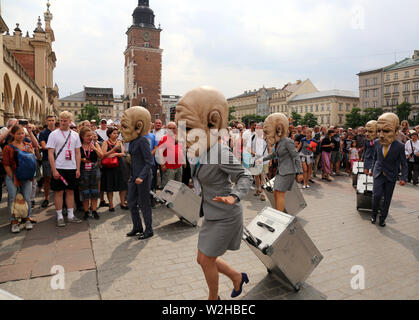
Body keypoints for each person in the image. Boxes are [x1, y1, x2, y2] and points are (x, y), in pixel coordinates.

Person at [176, 86, 252, 301]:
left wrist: (234, 196)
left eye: (188, 127)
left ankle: (213, 300)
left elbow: (244, 176)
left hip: (226, 214)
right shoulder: (199, 150)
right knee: (202, 259)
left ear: (212, 122)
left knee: (207, 260)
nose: (183, 134)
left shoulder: (220, 151)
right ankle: (237, 277)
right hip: (211, 212)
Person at [120, 107, 154, 240]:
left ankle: (149, 229)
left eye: (125, 126)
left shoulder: (143, 141)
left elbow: (149, 162)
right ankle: (137, 227)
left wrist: (141, 176)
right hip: (134, 177)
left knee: (144, 204)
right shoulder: (133, 141)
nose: (121, 131)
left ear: (138, 126)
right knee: (132, 203)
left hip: (143, 178)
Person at [370, 113, 408, 227]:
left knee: (387, 199)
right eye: (379, 130)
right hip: (378, 173)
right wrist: (372, 169)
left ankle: (382, 219)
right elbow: (375, 158)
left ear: (396, 131)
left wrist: (403, 178)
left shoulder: (400, 146)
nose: (381, 135)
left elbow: (404, 163)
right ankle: (373, 215)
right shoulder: (377, 142)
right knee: (376, 196)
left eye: (386, 131)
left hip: (391, 175)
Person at [47, 111, 83, 227]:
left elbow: (78, 153)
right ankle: (59, 216)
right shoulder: (53, 134)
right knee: (58, 192)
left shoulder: (75, 135)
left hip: (71, 168)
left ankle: (71, 215)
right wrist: (54, 169)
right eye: (61, 120)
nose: (63, 122)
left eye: (65, 120)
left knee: (70, 191)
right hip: (59, 167)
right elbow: (50, 153)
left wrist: (78, 168)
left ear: (70, 121)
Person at [262, 113, 303, 212]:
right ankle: (278, 212)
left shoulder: (287, 141)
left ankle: (279, 215)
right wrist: (261, 159)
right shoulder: (279, 142)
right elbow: (273, 154)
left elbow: (296, 156)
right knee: (276, 193)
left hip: (288, 172)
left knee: (279, 194)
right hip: (281, 171)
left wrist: (300, 172)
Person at [3, 125, 36, 233]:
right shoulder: (8, 148)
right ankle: (14, 222)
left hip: (26, 176)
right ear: (12, 134)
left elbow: (33, 160)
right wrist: (13, 178)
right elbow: (6, 165)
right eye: (18, 133)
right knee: (13, 199)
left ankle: (27, 219)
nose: (21, 135)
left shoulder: (27, 145)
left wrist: (31, 153)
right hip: (12, 176)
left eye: (22, 133)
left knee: (27, 198)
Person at [100, 127, 128, 212]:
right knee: (110, 185)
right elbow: (103, 154)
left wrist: (115, 154)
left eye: (117, 133)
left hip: (120, 165)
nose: (116, 135)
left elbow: (122, 153)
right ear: (109, 134)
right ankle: (111, 205)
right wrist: (114, 149)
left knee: (122, 185)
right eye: (114, 133)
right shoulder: (105, 142)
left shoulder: (119, 142)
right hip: (109, 167)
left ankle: (122, 203)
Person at [79, 127, 104, 220]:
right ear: (82, 136)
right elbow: (76, 157)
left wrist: (95, 149)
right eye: (88, 136)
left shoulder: (95, 144)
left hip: (94, 170)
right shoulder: (79, 145)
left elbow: (101, 156)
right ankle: (86, 211)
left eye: (91, 136)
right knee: (84, 191)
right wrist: (82, 159)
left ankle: (94, 210)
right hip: (83, 170)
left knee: (94, 191)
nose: (90, 138)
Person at [156, 122, 184, 188]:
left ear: (176, 129)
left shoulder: (179, 138)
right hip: (169, 167)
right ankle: (166, 198)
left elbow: (181, 150)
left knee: (177, 186)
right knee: (168, 187)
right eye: (170, 128)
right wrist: (162, 164)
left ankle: (176, 198)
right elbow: (160, 153)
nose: (172, 130)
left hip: (179, 166)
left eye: (174, 128)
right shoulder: (164, 138)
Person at [39, 115, 56, 208]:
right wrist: (55, 146)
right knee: (47, 179)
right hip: (47, 159)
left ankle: (57, 198)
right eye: (49, 120)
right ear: (46, 122)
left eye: (52, 120)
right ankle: (46, 198)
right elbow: (44, 146)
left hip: (58, 159)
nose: (51, 122)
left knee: (57, 179)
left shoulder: (58, 132)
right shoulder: (43, 133)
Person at [248, 123, 268, 201]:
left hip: (264, 160)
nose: (258, 129)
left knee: (263, 176)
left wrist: (270, 160)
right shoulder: (252, 137)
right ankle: (258, 188)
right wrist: (254, 154)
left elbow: (270, 148)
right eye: (256, 128)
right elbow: (248, 148)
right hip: (255, 159)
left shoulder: (266, 138)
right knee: (256, 176)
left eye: (259, 128)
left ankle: (263, 193)